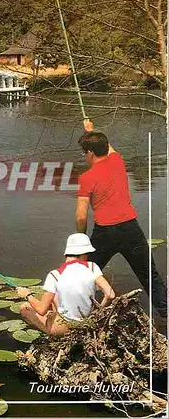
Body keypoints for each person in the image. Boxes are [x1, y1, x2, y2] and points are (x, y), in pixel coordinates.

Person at [76, 119, 167, 317]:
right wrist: (92, 131)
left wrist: (81, 241)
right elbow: (108, 148)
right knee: (149, 275)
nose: (84, 156)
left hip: (105, 233)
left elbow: (81, 216)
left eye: (85, 152)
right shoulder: (117, 161)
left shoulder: (86, 178)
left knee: (83, 273)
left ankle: (78, 312)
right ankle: (166, 313)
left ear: (90, 153)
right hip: (130, 229)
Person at [17, 233, 115, 336]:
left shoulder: (55, 275)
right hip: (88, 322)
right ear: (84, 254)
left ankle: (53, 335)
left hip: (64, 328)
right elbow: (110, 294)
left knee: (25, 308)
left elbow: (41, 310)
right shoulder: (92, 267)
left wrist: (27, 295)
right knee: (55, 297)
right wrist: (97, 314)